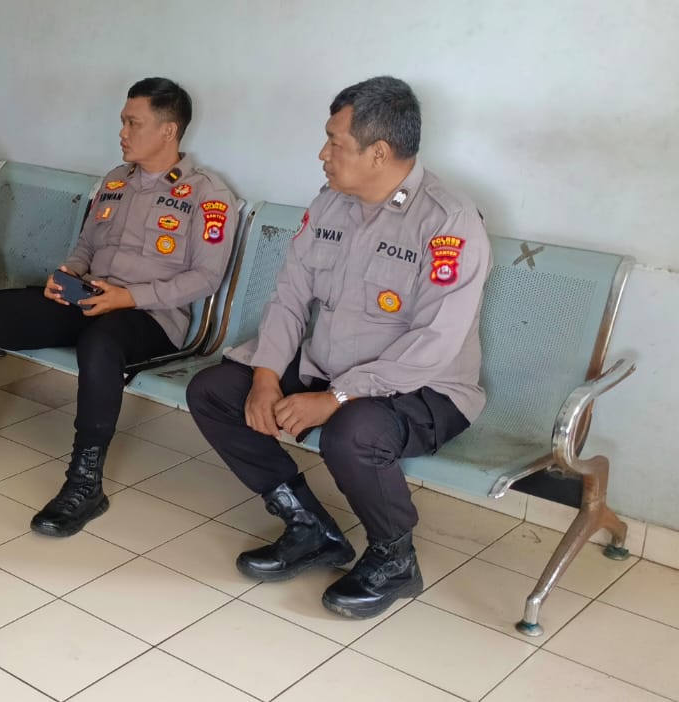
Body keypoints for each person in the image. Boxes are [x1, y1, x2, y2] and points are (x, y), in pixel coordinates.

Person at [186, 76, 489, 619]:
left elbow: (434, 343)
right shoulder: (330, 204)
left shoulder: (448, 222)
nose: (322, 154)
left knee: (352, 432)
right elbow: (289, 296)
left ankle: (395, 558)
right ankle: (308, 526)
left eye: (335, 142)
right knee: (215, 390)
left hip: (426, 388)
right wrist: (265, 376)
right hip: (329, 369)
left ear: (379, 152)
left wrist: (336, 398)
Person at [0, 77, 237, 538]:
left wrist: (127, 298)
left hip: (150, 318)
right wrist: (67, 275)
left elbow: (205, 278)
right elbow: (85, 248)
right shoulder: (115, 181)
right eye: (122, 121)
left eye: (133, 123)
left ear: (168, 130)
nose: (122, 132)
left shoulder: (207, 194)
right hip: (89, 299)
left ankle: (85, 482)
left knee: (100, 344)